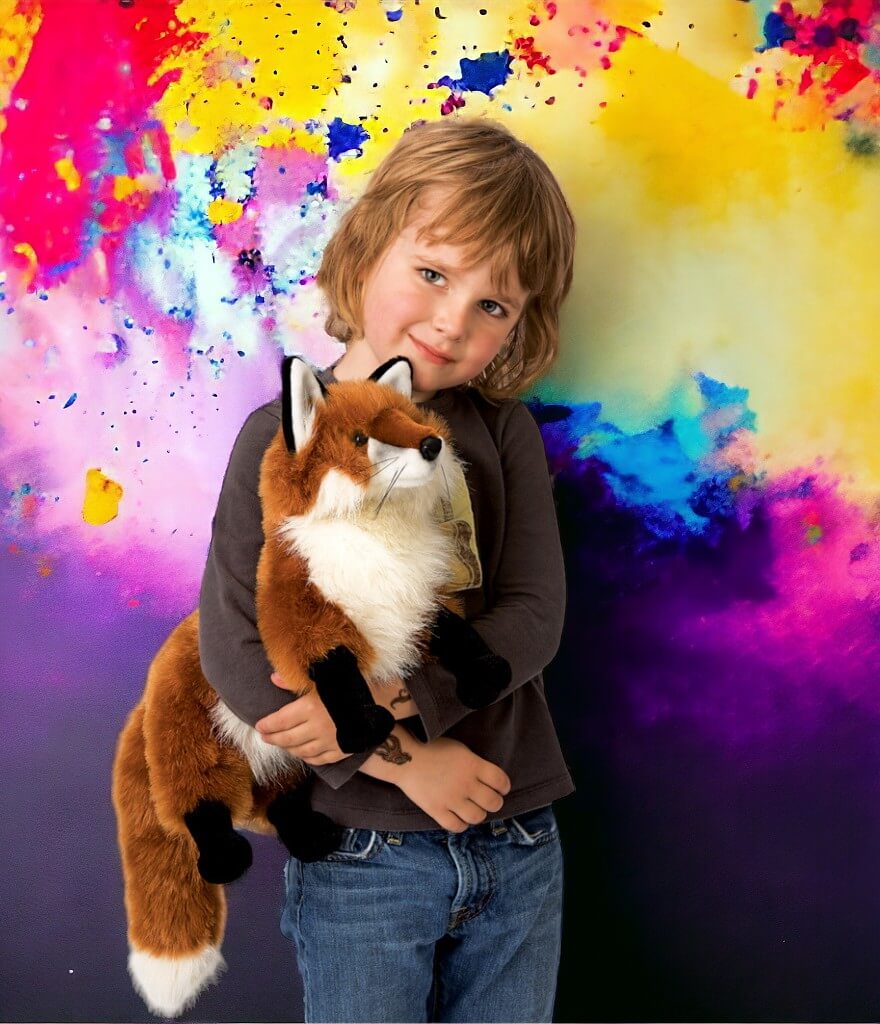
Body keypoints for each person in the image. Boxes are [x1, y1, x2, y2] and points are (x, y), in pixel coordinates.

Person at [197, 115, 577, 1023]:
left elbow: (534, 612)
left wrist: (415, 699)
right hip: (368, 852)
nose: (453, 320)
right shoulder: (277, 435)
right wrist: (400, 758)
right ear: (365, 250)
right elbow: (235, 649)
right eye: (434, 274)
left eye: (495, 305)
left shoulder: (502, 432)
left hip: (517, 832)